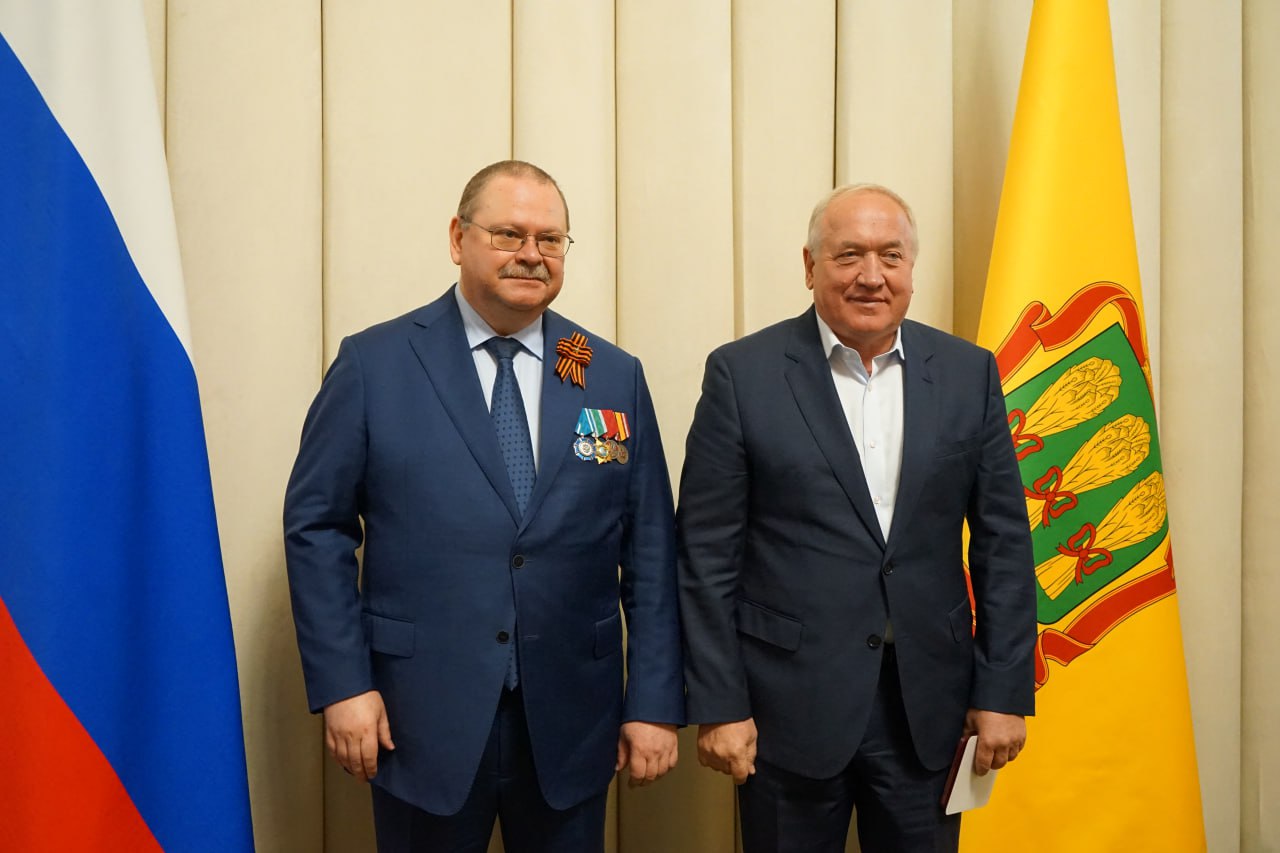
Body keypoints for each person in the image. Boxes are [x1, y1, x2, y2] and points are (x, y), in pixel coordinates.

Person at [284, 160, 684, 852]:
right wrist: (344, 684)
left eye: (550, 239)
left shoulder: (609, 373)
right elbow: (317, 527)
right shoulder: (375, 364)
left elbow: (650, 549)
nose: (531, 254)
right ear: (457, 238)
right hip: (418, 718)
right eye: (508, 234)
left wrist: (653, 700)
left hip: (574, 721)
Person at [677, 184, 1036, 852]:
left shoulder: (968, 373)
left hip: (928, 711)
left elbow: (1005, 545)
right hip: (786, 709)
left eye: (890, 256)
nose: (872, 275)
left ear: (911, 267)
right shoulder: (742, 375)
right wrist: (720, 703)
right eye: (849, 255)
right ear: (810, 266)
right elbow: (705, 556)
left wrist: (1002, 690)